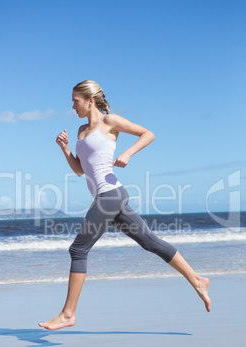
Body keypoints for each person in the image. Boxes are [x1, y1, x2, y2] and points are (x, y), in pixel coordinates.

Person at [39, 80, 211, 330]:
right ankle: (197, 280)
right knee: (150, 242)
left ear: (89, 101)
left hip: (110, 194)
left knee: (78, 250)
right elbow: (79, 170)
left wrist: (128, 153)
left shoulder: (110, 122)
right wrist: (65, 149)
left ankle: (68, 314)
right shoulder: (80, 131)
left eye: (75, 101)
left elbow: (148, 134)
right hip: (109, 196)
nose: (72, 106)